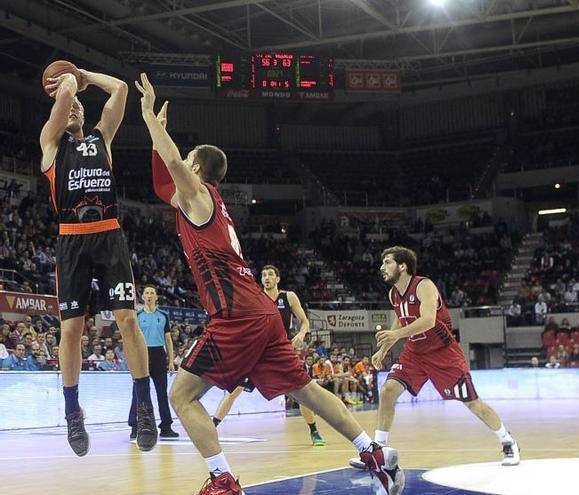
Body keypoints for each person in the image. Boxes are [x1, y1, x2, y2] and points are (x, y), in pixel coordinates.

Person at [136, 74, 402, 495]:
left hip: (236, 315)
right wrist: (157, 138)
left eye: (186, 159)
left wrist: (150, 118)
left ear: (198, 168)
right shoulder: (202, 203)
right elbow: (161, 182)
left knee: (182, 396)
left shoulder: (201, 196)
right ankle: (372, 452)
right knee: (307, 390)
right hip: (260, 312)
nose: (180, 164)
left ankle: (223, 480)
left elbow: (172, 169)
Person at [39, 67, 157, 456]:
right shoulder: (51, 143)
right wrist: (67, 86)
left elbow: (121, 89)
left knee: (127, 320)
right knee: (71, 329)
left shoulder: (102, 138)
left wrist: (83, 75)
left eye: (77, 107)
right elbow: (62, 100)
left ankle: (144, 406)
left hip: (109, 235)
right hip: (71, 240)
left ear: (86, 113)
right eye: (66, 105)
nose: (72, 108)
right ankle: (73, 412)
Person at [350, 246, 520, 469]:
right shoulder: (393, 294)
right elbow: (401, 320)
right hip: (415, 352)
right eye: (382, 263)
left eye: (388, 262)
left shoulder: (424, 285)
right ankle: (377, 451)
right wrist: (383, 349)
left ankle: (508, 441)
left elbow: (428, 320)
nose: (382, 267)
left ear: (402, 266)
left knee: (472, 403)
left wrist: (395, 335)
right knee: (388, 390)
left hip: (443, 353)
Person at [212, 265, 326, 447]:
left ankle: (314, 431)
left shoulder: (288, 297)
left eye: (271, 274)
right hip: (255, 352)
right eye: (264, 274)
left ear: (277, 279)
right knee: (233, 392)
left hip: (280, 352)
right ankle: (212, 428)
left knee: (302, 394)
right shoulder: (255, 298)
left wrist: (301, 334)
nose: (266, 277)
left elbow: (305, 322)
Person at [128, 285, 178, 440]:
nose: (149, 295)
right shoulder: (137, 315)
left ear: (156, 297)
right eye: (147, 293)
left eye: (152, 293)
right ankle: (135, 426)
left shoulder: (163, 315)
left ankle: (166, 427)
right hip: (141, 354)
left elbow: (168, 339)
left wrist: (171, 360)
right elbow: (132, 338)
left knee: (162, 393)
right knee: (138, 392)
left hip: (158, 355)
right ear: (142, 297)